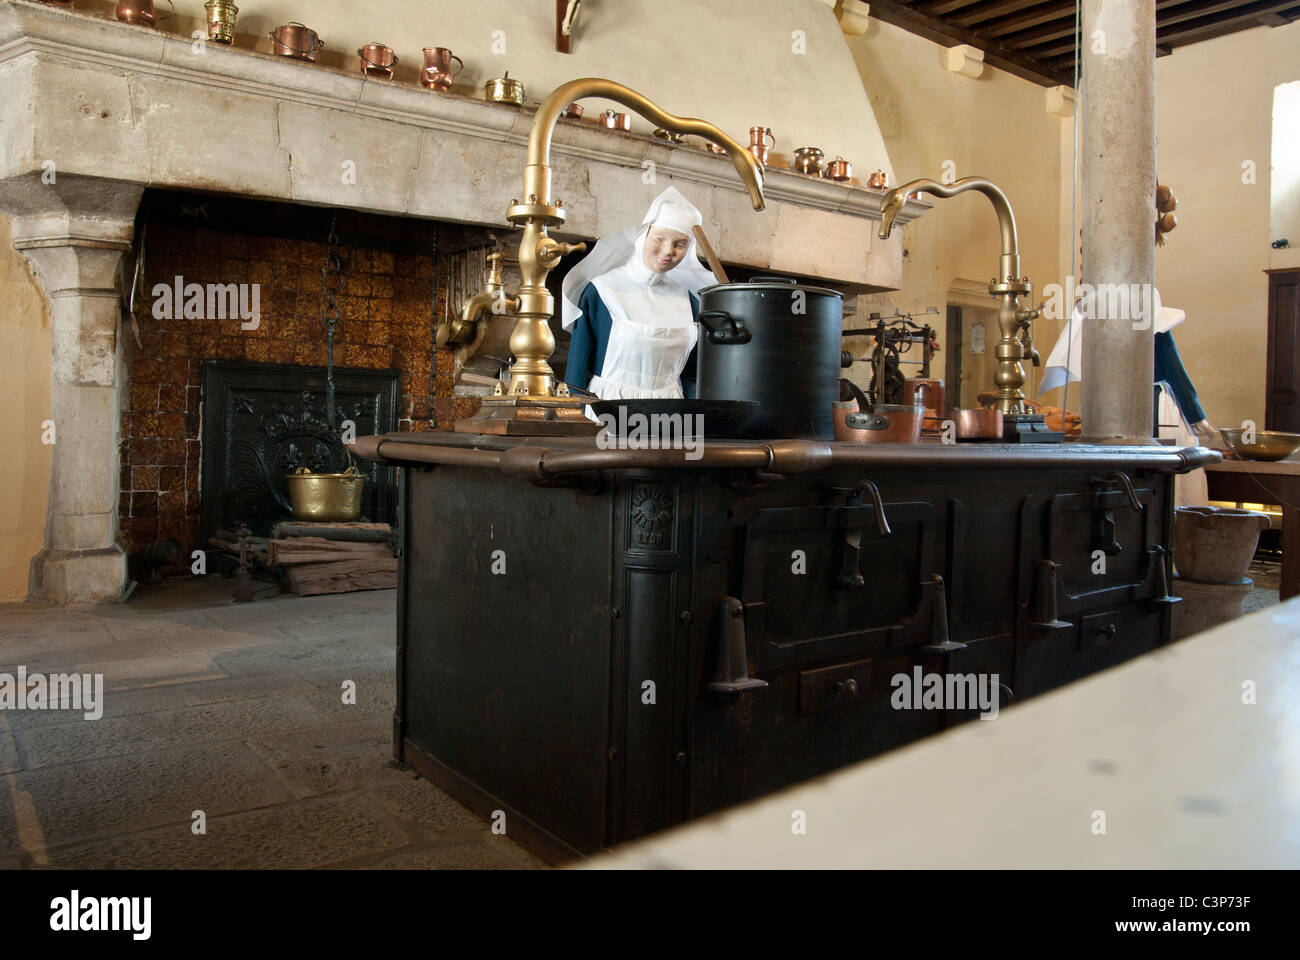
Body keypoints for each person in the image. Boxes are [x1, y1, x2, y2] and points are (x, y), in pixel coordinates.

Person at [561, 186, 716, 400]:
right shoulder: (602, 291)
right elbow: (576, 372)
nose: (668, 251)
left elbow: (693, 377)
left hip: (673, 413)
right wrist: (573, 420)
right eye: (660, 239)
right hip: (609, 408)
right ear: (643, 235)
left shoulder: (690, 301)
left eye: (680, 244)